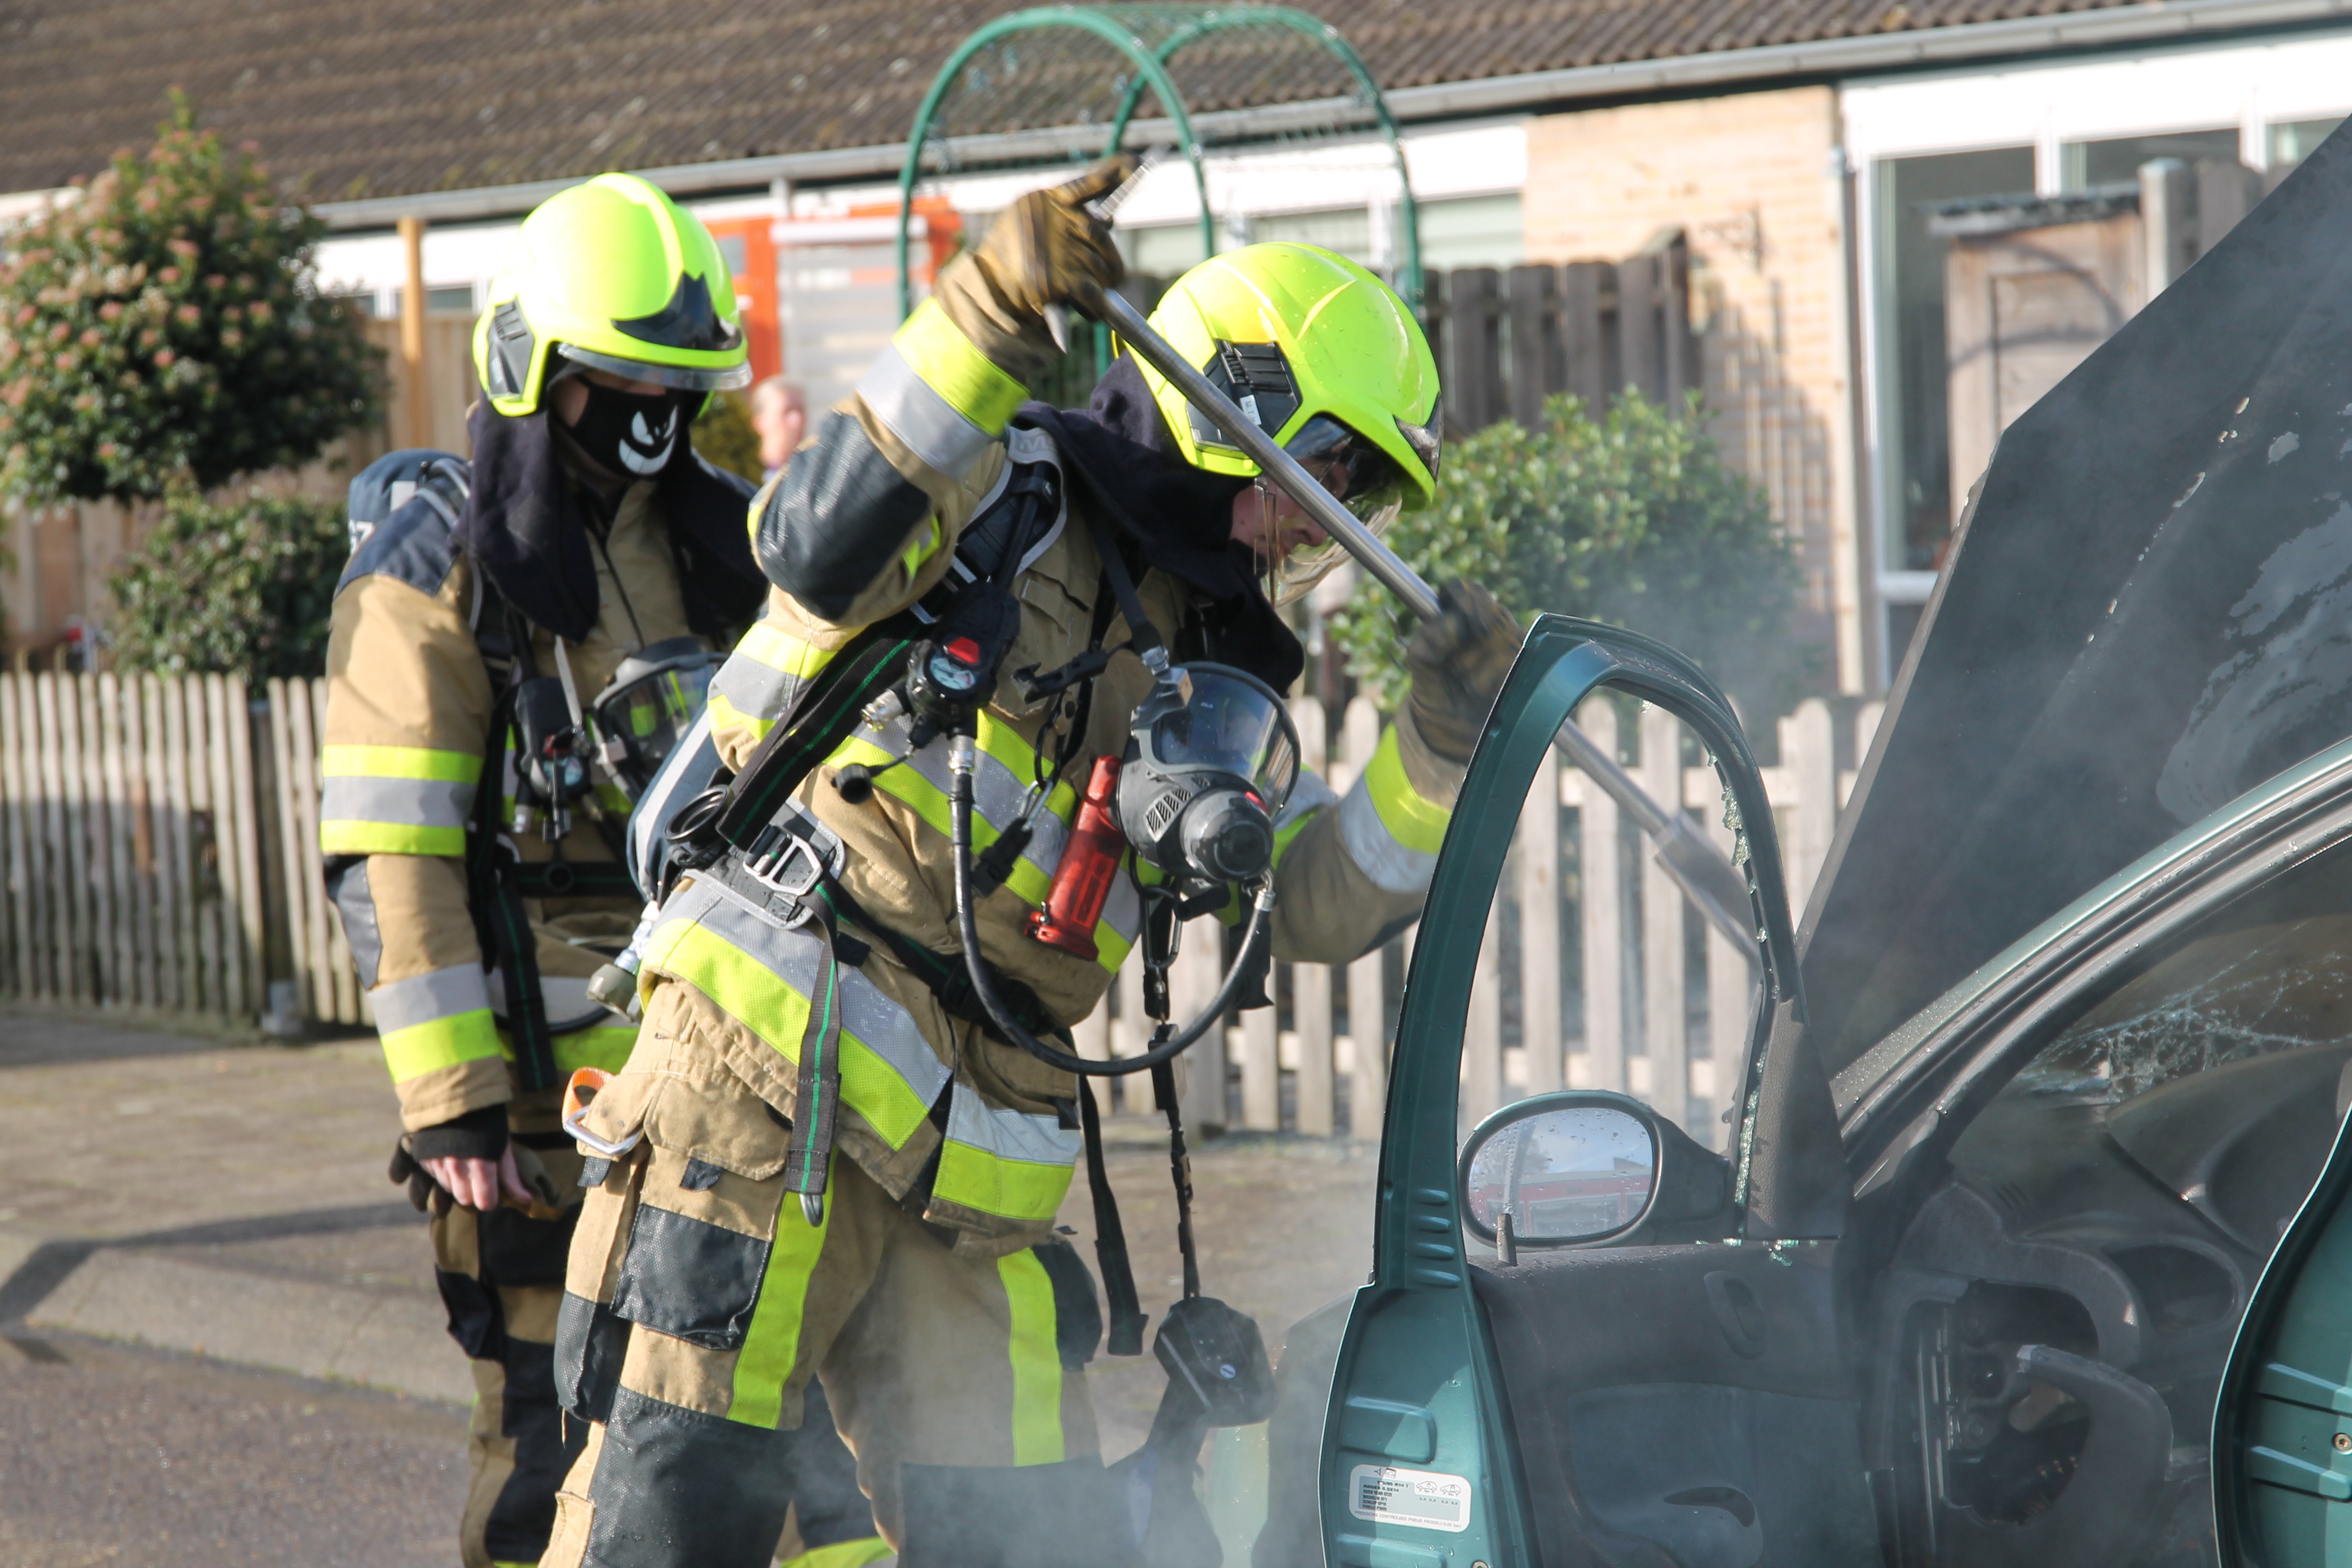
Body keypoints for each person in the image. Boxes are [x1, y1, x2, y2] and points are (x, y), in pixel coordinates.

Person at [541, 158, 1521, 1568]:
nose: (1330, 514)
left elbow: (1308, 898)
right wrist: (985, 313)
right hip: (762, 1089)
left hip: (973, 1169)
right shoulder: (1002, 493)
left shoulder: (1217, 662)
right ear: (1233, 404)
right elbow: (816, 542)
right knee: (667, 1513)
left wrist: (1441, 740)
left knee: (1034, 1542)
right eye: (1332, 464)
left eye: (1362, 488)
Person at [318, 172, 804, 1568]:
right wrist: (454, 1108)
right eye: (623, 381)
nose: (654, 415)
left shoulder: (714, 537)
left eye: (680, 387)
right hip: (537, 1123)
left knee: (728, 1448)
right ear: (534, 367)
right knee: (549, 1446)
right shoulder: (441, 568)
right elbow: (393, 849)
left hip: (722, 1085)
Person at [752, 375, 808, 480]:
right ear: (760, 423)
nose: (797, 421)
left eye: (801, 410)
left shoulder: (814, 473)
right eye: (786, 412)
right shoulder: (747, 475)